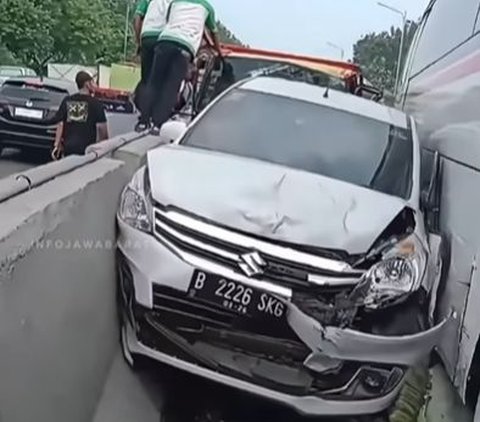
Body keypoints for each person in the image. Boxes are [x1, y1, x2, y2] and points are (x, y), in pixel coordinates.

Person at [138, 0, 222, 135]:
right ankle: (158, 125)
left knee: (153, 83)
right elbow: (213, 32)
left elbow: (168, 20)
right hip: (184, 47)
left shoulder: (176, 2)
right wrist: (218, 50)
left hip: (164, 41)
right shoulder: (207, 7)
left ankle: (143, 121)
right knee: (170, 88)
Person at [51, 71, 109, 159]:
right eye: (92, 82)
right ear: (87, 84)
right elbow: (102, 130)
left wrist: (57, 144)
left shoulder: (68, 100)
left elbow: (60, 123)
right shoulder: (95, 104)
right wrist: (103, 147)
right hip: (87, 150)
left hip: (69, 148)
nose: (94, 85)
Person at [133, 0, 171, 128]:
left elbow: (137, 18)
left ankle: (143, 119)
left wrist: (139, 41)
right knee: (159, 81)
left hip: (147, 36)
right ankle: (157, 118)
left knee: (146, 80)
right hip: (163, 39)